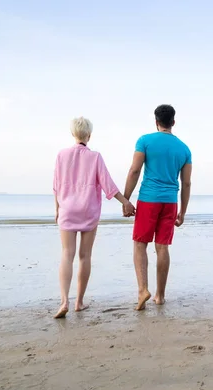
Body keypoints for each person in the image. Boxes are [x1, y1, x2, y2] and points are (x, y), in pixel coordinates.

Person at [53, 117, 135, 318]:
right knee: (84, 256)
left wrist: (57, 210)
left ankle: (64, 301)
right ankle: (79, 302)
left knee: (66, 254)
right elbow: (108, 184)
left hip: (67, 210)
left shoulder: (61, 155)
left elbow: (56, 186)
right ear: (89, 135)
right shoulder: (95, 157)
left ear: (73, 134)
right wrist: (125, 201)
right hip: (88, 211)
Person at [123, 104, 192, 311]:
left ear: (156, 121)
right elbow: (186, 183)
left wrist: (126, 199)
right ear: (173, 122)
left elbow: (135, 170)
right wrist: (183, 211)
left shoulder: (145, 141)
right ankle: (160, 296)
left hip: (148, 199)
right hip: (170, 202)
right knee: (162, 247)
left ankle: (143, 289)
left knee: (140, 244)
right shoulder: (184, 148)